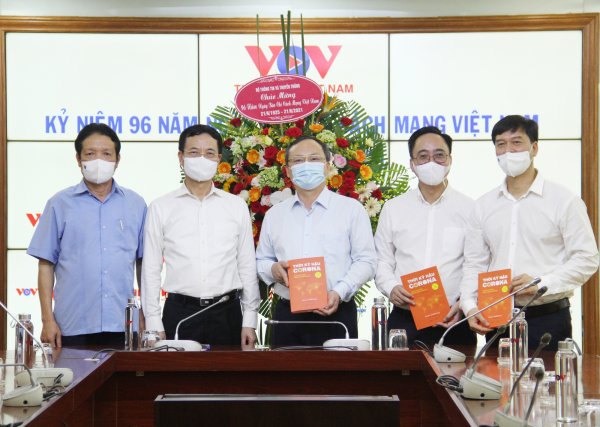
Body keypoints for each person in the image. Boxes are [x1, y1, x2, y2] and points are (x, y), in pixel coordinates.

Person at [460, 115, 599, 350]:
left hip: (548, 318)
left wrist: (542, 283)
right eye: (501, 144)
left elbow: (587, 259)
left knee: (548, 375)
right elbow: (474, 263)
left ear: (534, 148)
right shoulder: (483, 205)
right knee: (495, 375)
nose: (508, 151)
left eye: (516, 142)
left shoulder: (564, 201)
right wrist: (469, 305)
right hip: (496, 319)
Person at [27, 123, 146, 347]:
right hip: (72, 325)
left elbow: (143, 266)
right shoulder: (59, 204)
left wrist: (146, 314)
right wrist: (47, 320)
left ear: (117, 159)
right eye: (90, 154)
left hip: (122, 324)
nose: (98, 160)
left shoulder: (136, 204)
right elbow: (45, 265)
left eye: (106, 154)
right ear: (78, 159)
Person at [142, 124, 260, 348]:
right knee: (177, 373)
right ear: (181, 157)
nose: (202, 159)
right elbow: (151, 269)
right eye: (194, 152)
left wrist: (250, 320)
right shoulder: (161, 207)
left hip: (227, 313)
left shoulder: (236, 206)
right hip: (179, 312)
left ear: (218, 159)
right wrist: (153, 322)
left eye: (209, 153)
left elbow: (246, 265)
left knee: (230, 372)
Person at [256, 136, 377, 346]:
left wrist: (339, 292)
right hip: (287, 315)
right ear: (288, 171)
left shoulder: (351, 210)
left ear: (328, 166)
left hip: (336, 312)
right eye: (298, 160)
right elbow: (261, 261)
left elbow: (367, 261)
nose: (306, 165)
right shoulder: (275, 215)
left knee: (339, 369)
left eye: (314, 159)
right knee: (284, 369)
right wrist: (273, 269)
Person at [374, 126, 476, 348]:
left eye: (439, 155)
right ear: (412, 164)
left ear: (450, 160)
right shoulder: (393, 208)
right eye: (423, 156)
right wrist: (391, 287)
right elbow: (382, 260)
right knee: (400, 372)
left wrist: (464, 303)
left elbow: (476, 263)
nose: (432, 162)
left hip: (454, 319)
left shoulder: (471, 209)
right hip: (405, 318)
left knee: (459, 372)